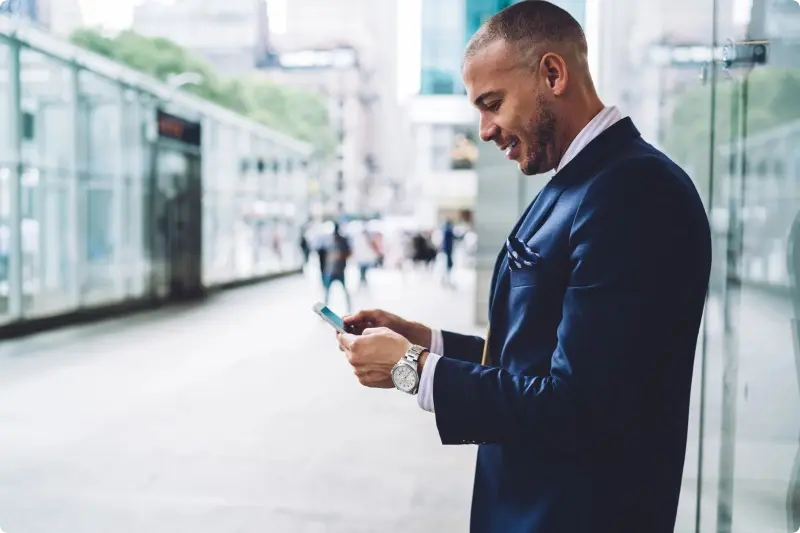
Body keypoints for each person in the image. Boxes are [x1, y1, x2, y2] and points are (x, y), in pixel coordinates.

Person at [335, 2, 712, 533]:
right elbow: (543, 359)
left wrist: (411, 370)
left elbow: (579, 405)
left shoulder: (634, 192)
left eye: (492, 103)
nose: (485, 130)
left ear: (552, 73)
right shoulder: (584, 180)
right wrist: (425, 341)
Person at [324, 222, 352, 313]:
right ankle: (348, 308)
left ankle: (348, 308)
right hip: (335, 269)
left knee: (328, 291)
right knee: (328, 291)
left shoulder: (332, 240)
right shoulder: (331, 240)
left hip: (335, 269)